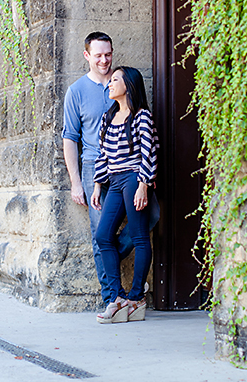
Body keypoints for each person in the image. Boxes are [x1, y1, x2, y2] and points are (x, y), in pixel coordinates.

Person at [62, 32, 131, 303]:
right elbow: (70, 138)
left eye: (108, 54)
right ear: (87, 56)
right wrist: (76, 182)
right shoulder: (76, 91)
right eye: (99, 55)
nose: (104, 60)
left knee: (151, 217)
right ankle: (112, 296)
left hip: (128, 164)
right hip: (94, 167)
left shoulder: (123, 82)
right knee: (100, 232)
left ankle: (110, 256)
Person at [91, 66, 158, 324]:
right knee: (103, 235)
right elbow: (103, 155)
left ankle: (136, 296)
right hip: (115, 181)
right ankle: (117, 298)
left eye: (115, 80)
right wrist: (98, 185)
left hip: (133, 178)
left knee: (140, 236)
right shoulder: (108, 118)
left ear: (128, 85)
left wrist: (144, 184)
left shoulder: (142, 117)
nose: (110, 83)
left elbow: (149, 153)